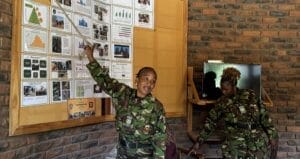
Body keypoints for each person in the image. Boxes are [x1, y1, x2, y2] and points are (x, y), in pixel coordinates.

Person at [84, 45, 167, 159]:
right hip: (123, 153)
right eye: (146, 79)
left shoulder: (157, 106)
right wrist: (90, 58)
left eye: (153, 81)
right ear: (137, 80)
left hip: (144, 155)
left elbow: (160, 137)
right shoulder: (123, 93)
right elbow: (104, 80)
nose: (149, 84)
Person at [189, 67, 278, 159]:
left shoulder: (251, 95)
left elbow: (264, 116)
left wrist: (272, 136)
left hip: (256, 142)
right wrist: (198, 142)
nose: (223, 92)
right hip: (234, 146)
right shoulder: (222, 102)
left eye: (226, 89)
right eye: (222, 89)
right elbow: (210, 122)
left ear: (234, 86)